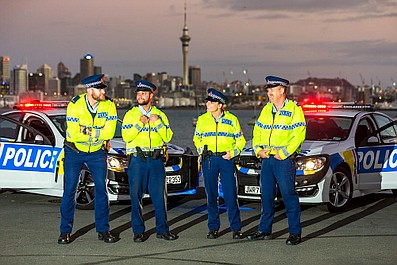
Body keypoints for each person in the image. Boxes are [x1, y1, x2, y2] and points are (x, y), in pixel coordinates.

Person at [58, 74, 118, 244]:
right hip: (74, 151)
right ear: (90, 90)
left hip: (97, 153)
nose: (103, 91)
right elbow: (75, 135)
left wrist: (89, 131)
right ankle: (65, 231)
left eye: (103, 88)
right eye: (100, 89)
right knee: (70, 190)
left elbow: (110, 132)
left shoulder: (109, 105)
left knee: (101, 190)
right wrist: (97, 134)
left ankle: (103, 231)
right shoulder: (75, 104)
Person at [247, 75, 306, 245]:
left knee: (289, 196)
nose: (269, 93)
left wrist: (285, 153)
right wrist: (258, 150)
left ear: (282, 90)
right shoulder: (266, 110)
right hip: (267, 160)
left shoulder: (295, 110)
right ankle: (264, 230)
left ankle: (295, 232)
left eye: (272, 90)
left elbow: (299, 135)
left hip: (283, 161)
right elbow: (257, 132)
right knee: (266, 196)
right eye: (268, 90)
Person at [122, 80, 177, 243]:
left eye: (143, 93)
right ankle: (138, 231)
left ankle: (162, 230)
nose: (140, 96)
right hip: (137, 160)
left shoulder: (160, 115)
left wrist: (157, 122)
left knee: (160, 198)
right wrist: (140, 123)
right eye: (138, 94)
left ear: (151, 95)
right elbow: (126, 137)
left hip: (156, 160)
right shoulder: (130, 115)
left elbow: (167, 137)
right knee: (136, 197)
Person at [193, 88, 246, 239]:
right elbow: (197, 138)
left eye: (211, 102)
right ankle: (213, 228)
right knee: (211, 195)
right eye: (207, 101)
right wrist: (201, 150)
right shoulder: (202, 119)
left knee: (230, 195)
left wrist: (233, 153)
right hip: (209, 159)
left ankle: (236, 229)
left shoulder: (232, 120)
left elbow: (241, 140)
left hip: (226, 159)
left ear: (220, 105)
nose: (207, 104)